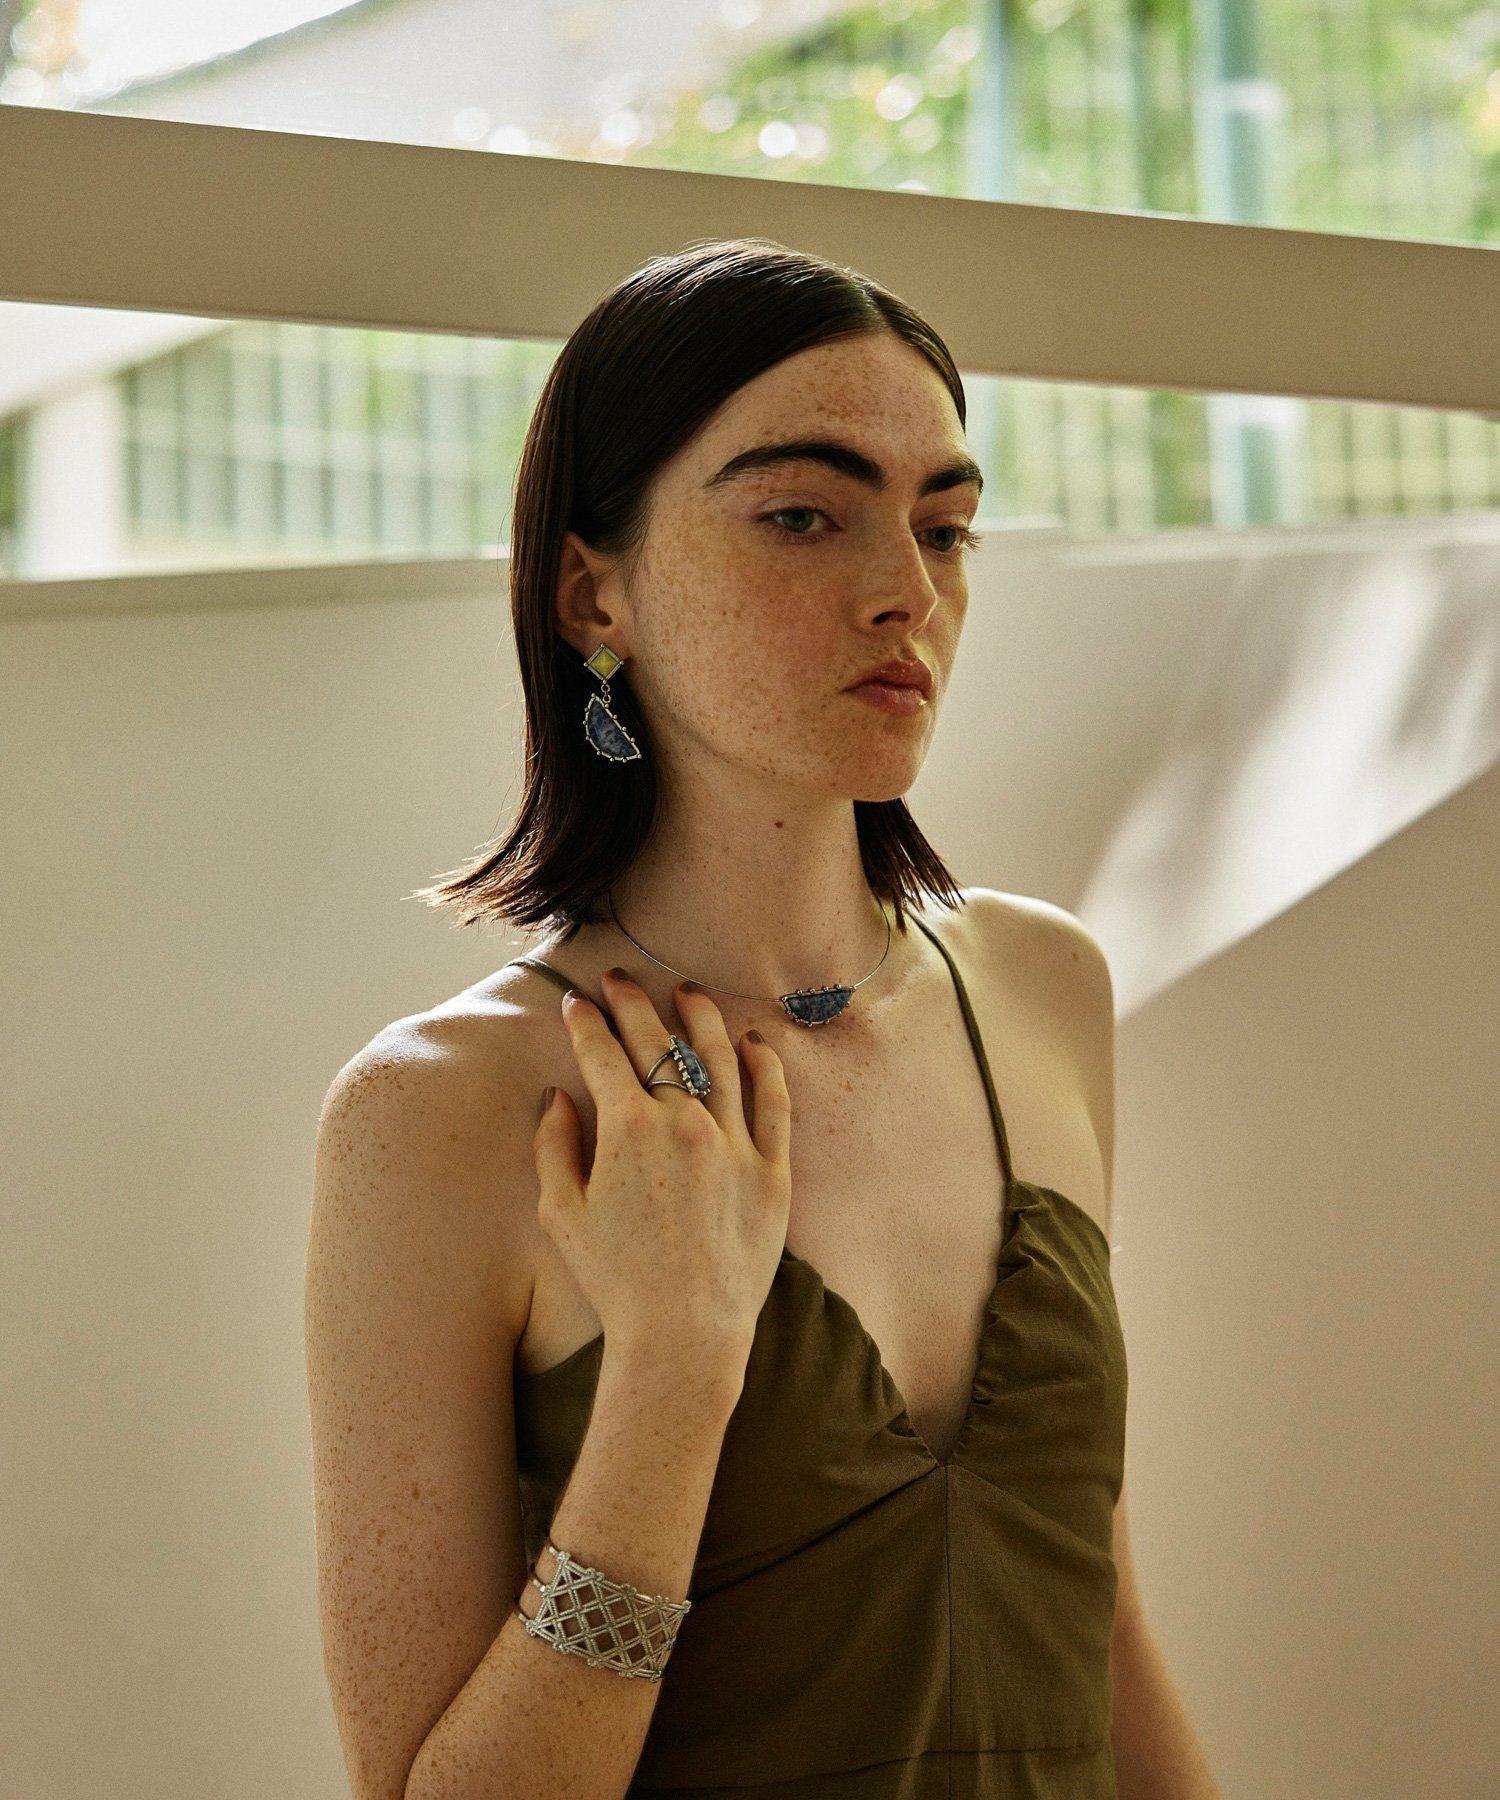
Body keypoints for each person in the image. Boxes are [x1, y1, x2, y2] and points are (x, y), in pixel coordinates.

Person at [305, 237, 1212, 1799]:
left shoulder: (1041, 990)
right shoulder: (440, 1113)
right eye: (803, 515)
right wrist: (672, 1372)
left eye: (946, 527)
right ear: (594, 591)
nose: (907, 591)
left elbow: (1105, 1628)